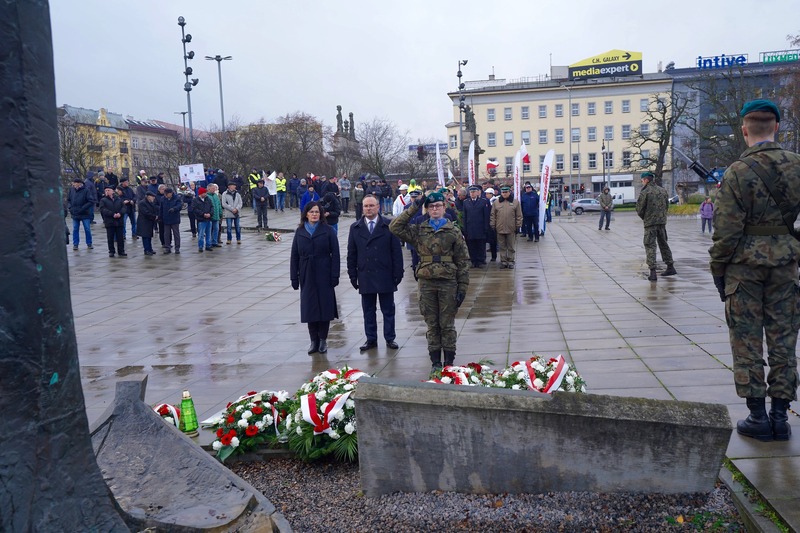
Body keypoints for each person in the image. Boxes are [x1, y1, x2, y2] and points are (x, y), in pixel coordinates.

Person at [709, 98, 800, 442]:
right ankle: (780, 417)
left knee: (746, 341)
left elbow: (726, 231)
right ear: (777, 127)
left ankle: (757, 417)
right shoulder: (797, 166)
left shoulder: (736, 171)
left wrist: (718, 268)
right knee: (784, 340)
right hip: (785, 267)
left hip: (744, 270)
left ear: (744, 130)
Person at [390, 190, 470, 374]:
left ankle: (449, 361)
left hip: (448, 282)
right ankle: (435, 362)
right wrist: (415, 206)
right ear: (427, 209)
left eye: (438, 206)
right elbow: (395, 227)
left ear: (444, 207)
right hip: (426, 283)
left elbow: (463, 260)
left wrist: (463, 287)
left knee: (447, 324)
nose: (435, 209)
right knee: (432, 324)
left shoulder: (453, 231)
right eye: (431, 206)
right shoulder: (419, 229)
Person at [348, 195, 404, 352]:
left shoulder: (389, 225)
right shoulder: (355, 227)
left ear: (378, 207)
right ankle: (371, 339)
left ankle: (390, 338)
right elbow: (352, 254)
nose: (368, 209)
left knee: (388, 310)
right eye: (366, 206)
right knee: (368, 310)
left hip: (385, 273)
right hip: (365, 274)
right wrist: (352, 275)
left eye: (371, 205)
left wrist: (398, 273)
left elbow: (396, 252)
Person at [290, 201, 340, 355]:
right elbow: (294, 255)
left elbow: (336, 254)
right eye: (311, 212)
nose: (314, 214)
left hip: (324, 271)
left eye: (317, 212)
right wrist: (294, 277)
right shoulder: (300, 231)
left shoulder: (328, 230)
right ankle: (314, 340)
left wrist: (335, 274)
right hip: (306, 272)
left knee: (324, 307)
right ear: (306, 214)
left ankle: (323, 340)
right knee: (310, 308)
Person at [636, 172, 676, 281]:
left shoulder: (645, 192)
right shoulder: (663, 190)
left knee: (650, 246)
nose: (642, 182)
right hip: (661, 222)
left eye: (642, 180)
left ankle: (653, 272)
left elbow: (639, 209)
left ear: (646, 180)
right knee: (664, 244)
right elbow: (666, 206)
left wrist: (646, 217)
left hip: (650, 223)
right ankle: (670, 266)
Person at [490, 186, 523, 269]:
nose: (504, 194)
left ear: (509, 192)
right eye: (503, 192)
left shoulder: (515, 202)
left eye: (506, 192)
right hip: (499, 228)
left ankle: (511, 261)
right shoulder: (496, 203)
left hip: (511, 228)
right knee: (502, 246)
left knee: (511, 246)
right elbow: (493, 215)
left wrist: (518, 225)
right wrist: (493, 225)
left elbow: (519, 215)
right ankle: (503, 261)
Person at [462, 185, 491, 267]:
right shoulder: (466, 202)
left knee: (480, 245)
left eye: (474, 192)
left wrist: (486, 227)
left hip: (480, 227)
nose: (472, 193)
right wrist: (465, 228)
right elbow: (465, 216)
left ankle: (480, 261)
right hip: (470, 227)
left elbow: (486, 215)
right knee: (471, 246)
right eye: (471, 192)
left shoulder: (483, 201)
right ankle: (473, 260)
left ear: (477, 193)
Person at [99, 186, 125, 257]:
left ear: (112, 191)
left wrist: (120, 213)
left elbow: (124, 207)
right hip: (109, 221)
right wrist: (112, 214)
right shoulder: (103, 200)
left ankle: (121, 251)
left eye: (108, 190)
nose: (107, 192)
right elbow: (103, 209)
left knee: (120, 237)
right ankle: (111, 251)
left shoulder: (118, 199)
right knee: (110, 237)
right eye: (106, 190)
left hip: (119, 221)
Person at [68, 178, 93, 250]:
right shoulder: (72, 190)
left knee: (87, 229)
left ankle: (89, 243)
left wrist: (82, 208)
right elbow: (69, 200)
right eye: (73, 183)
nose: (74, 184)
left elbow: (90, 201)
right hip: (75, 213)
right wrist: (70, 207)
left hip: (85, 213)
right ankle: (75, 244)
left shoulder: (86, 190)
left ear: (79, 183)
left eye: (75, 183)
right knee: (75, 228)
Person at [160, 187, 182, 254]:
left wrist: (174, 209)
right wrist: (160, 217)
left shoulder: (177, 198)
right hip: (166, 219)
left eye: (167, 194)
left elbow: (179, 206)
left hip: (174, 219)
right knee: (166, 234)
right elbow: (161, 209)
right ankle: (167, 247)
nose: (166, 195)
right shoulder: (163, 199)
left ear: (171, 193)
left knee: (176, 234)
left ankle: (177, 248)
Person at [191, 187, 214, 252]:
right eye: (204, 193)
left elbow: (212, 207)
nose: (206, 194)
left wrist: (210, 214)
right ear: (201, 193)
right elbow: (194, 209)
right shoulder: (195, 200)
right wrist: (203, 214)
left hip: (209, 219)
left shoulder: (208, 199)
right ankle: (200, 246)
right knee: (201, 234)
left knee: (208, 233)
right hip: (201, 219)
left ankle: (208, 245)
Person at [136, 191, 158, 255]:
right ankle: (146, 250)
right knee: (145, 236)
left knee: (149, 236)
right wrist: (154, 217)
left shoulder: (150, 202)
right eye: (152, 197)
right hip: (144, 222)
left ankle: (150, 249)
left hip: (149, 222)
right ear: (148, 197)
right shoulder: (142, 203)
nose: (154, 198)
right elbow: (146, 212)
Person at [207, 183, 223, 247]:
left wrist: (220, 212)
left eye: (215, 188)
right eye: (213, 188)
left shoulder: (216, 196)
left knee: (216, 229)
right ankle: (209, 242)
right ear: (209, 189)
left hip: (216, 216)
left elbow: (219, 205)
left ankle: (214, 242)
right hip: (210, 216)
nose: (214, 189)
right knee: (209, 230)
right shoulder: (207, 196)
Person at [484, 188, 498, 262]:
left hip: (493, 223)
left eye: (488, 194)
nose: (486, 195)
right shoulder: (486, 201)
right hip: (487, 223)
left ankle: (494, 256)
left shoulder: (495, 201)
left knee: (493, 241)